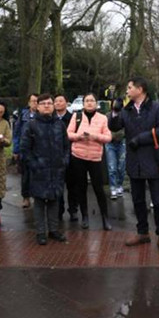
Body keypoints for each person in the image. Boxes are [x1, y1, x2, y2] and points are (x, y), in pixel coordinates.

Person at [109, 76, 159, 254]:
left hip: (152, 160)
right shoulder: (127, 110)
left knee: (158, 201)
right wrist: (115, 111)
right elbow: (114, 127)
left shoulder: (157, 108)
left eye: (130, 87)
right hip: (134, 161)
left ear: (140, 89)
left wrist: (140, 139)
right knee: (137, 200)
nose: (127, 91)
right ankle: (143, 232)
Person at [21, 93, 70, 245]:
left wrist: (64, 161)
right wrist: (34, 165)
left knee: (55, 199)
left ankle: (53, 230)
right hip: (39, 170)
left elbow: (66, 146)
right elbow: (25, 149)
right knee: (40, 201)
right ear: (37, 106)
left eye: (49, 103)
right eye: (43, 104)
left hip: (56, 169)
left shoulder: (59, 124)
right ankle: (41, 232)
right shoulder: (31, 125)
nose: (47, 106)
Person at [67, 93, 113, 230]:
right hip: (78, 156)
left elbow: (108, 137)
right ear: (83, 103)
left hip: (95, 157)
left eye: (92, 100)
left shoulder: (102, 118)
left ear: (96, 103)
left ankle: (105, 217)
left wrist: (95, 136)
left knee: (99, 188)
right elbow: (68, 134)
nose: (89, 103)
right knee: (81, 188)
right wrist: (78, 137)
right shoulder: (77, 116)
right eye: (86, 100)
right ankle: (85, 216)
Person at [12, 93, 39, 209]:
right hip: (25, 149)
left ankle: (37, 197)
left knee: (38, 175)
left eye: (37, 101)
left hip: (38, 150)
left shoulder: (43, 115)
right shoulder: (23, 115)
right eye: (33, 101)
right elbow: (17, 133)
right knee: (25, 176)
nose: (35, 103)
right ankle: (26, 197)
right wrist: (16, 149)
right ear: (29, 103)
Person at [53, 94, 74, 221]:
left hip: (71, 154)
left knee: (72, 185)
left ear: (66, 103)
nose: (58, 103)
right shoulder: (51, 119)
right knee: (58, 185)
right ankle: (58, 210)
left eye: (61, 101)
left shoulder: (73, 118)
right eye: (56, 101)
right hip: (55, 156)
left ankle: (73, 210)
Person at [106, 97, 127, 200]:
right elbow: (105, 129)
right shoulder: (107, 116)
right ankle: (113, 187)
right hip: (110, 144)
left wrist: (114, 135)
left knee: (121, 167)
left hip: (121, 143)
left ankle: (119, 185)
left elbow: (125, 130)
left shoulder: (124, 115)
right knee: (112, 167)